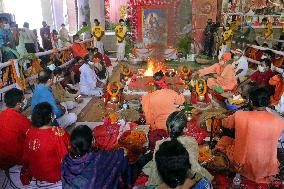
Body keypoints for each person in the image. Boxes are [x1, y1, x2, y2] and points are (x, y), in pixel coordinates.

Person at [215, 87, 284, 183]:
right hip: (266, 166)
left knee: (224, 140)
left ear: (250, 102)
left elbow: (225, 123)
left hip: (243, 164)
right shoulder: (280, 121)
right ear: (269, 102)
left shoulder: (240, 115)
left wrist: (224, 118)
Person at [143, 111, 213, 188]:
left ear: (168, 128)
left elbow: (156, 168)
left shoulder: (159, 143)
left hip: (166, 178)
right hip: (185, 176)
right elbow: (194, 165)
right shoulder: (191, 141)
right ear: (185, 129)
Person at [62, 125, 134, 189]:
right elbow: (118, 156)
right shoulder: (98, 158)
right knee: (124, 158)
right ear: (92, 141)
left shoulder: (66, 160)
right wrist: (122, 151)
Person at [20, 102, 70, 186]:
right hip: (55, 175)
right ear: (51, 116)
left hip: (36, 173)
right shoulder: (58, 132)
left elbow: (26, 156)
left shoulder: (29, 132)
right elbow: (69, 150)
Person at [0, 88, 31, 170]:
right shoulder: (21, 120)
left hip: (2, 160)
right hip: (16, 161)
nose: (24, 101)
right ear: (18, 104)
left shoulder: (2, 115)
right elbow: (33, 134)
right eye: (23, 100)